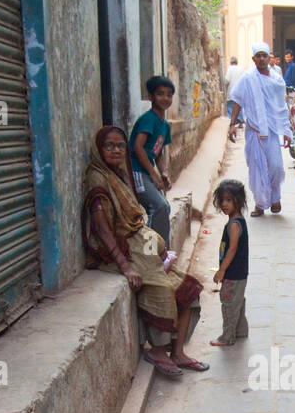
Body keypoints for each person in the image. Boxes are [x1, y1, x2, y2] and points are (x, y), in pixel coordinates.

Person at [81, 126, 208, 377]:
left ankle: (178, 352)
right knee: (162, 289)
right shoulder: (98, 178)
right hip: (124, 247)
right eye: (110, 146)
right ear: (99, 149)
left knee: (188, 289)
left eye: (120, 145)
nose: (116, 150)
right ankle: (158, 352)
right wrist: (125, 266)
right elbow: (102, 227)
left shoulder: (120, 173)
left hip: (142, 242)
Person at [228, 42, 291, 217]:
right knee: (256, 169)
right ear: (254, 59)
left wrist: (286, 130)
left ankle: (275, 197)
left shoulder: (277, 79)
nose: (262, 58)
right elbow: (237, 100)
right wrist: (232, 124)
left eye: (265, 55)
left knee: (277, 167)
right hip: (254, 131)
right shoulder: (247, 78)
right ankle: (260, 203)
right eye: (259, 56)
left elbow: (281, 107)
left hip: (271, 132)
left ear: (269, 57)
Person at [130, 75, 174, 245]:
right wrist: (153, 174)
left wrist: (163, 172)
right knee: (159, 207)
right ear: (151, 97)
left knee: (164, 208)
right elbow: (138, 147)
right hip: (137, 171)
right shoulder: (149, 119)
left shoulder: (165, 125)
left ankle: (162, 251)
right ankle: (155, 252)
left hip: (147, 171)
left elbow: (159, 151)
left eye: (169, 94)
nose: (165, 98)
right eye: (160, 94)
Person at [209, 179, 250, 348]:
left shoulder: (234, 225)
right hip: (240, 273)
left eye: (228, 200)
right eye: (222, 200)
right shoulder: (238, 220)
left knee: (228, 304)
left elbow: (232, 249)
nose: (224, 204)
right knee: (237, 301)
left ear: (237, 201)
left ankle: (227, 337)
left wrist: (221, 271)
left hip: (233, 273)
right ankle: (240, 330)